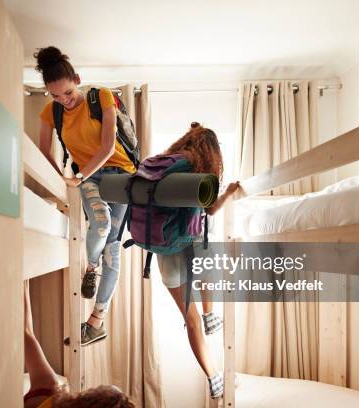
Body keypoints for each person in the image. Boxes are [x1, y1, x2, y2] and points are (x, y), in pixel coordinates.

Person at [35, 46, 136, 346]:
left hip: (120, 173)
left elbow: (107, 147)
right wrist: (64, 180)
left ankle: (97, 322)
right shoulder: (50, 111)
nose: (63, 101)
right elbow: (42, 152)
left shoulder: (101, 96)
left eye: (67, 93)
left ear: (76, 79)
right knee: (101, 224)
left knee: (113, 251)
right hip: (87, 175)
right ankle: (91, 268)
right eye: (55, 96)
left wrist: (77, 177)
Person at [155, 123, 240, 399]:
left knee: (190, 322)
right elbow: (211, 209)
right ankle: (210, 312)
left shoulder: (165, 166)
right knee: (208, 250)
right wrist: (228, 193)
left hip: (165, 250)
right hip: (193, 245)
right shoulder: (199, 170)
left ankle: (212, 376)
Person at [24, 282, 135, 408]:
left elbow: (26, 333)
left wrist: (24, 279)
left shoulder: (49, 390)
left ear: (92, 399)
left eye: (100, 390)